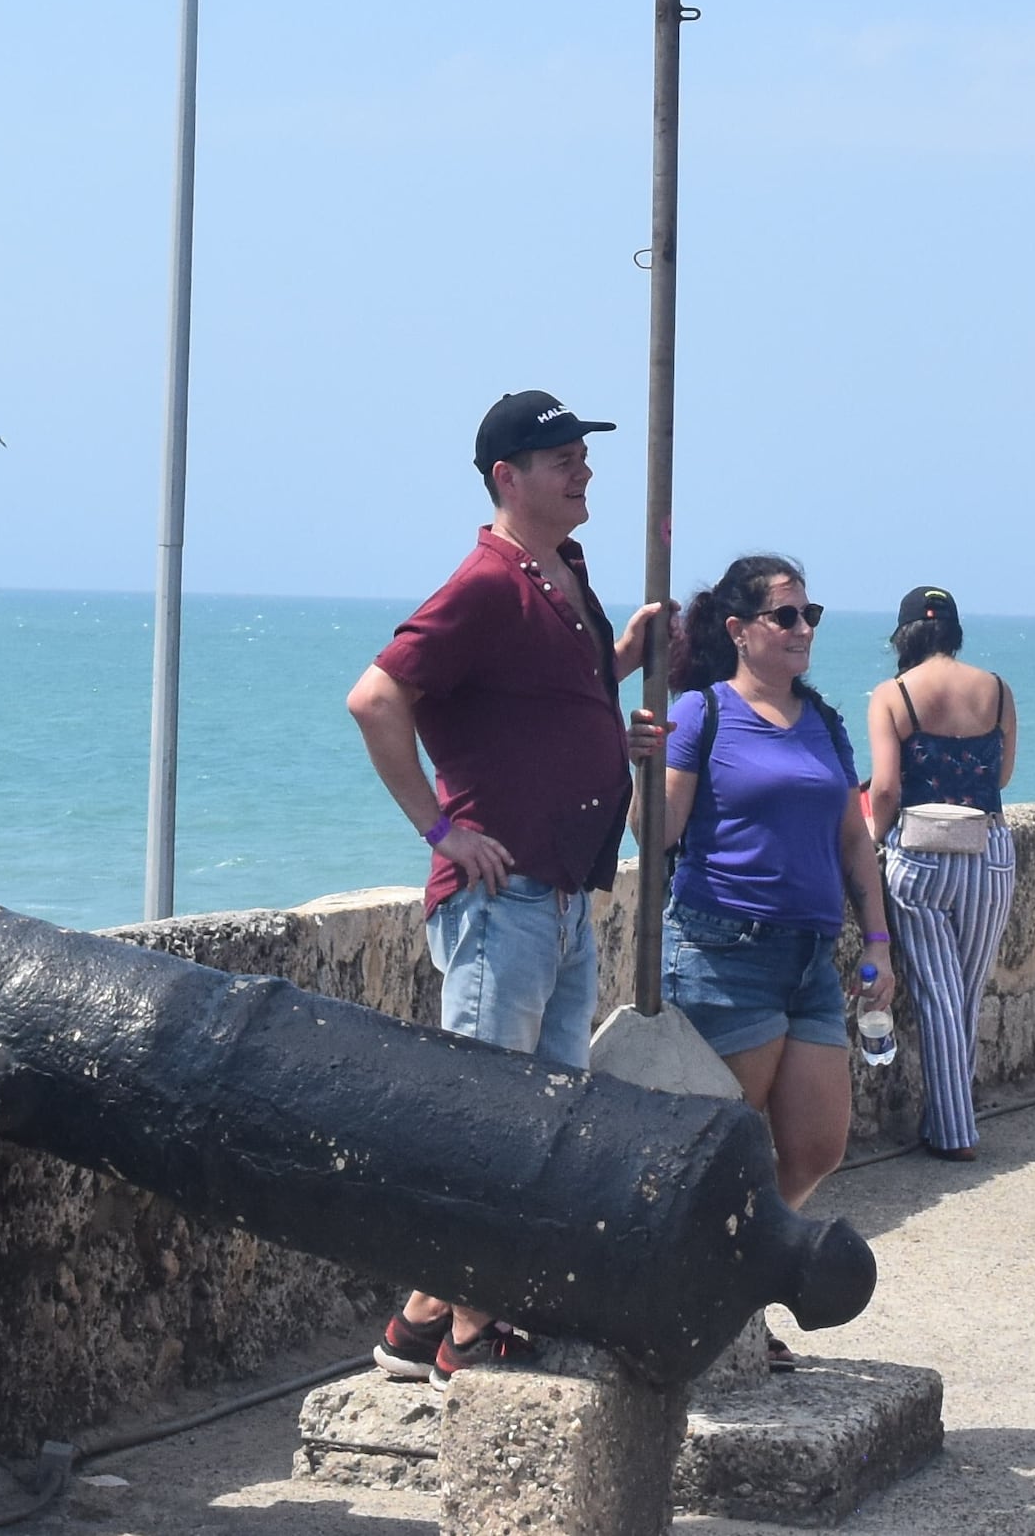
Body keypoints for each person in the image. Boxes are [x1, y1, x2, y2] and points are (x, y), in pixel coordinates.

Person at [345, 387, 670, 1377]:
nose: (582, 470)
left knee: (542, 1126)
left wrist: (615, 702)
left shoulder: (561, 571)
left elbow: (541, 702)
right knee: (492, 1125)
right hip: (506, 898)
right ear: (505, 477)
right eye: (561, 457)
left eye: (582, 454)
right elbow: (375, 700)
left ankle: (415, 1323)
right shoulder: (486, 581)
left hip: (567, 890)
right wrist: (443, 830)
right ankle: (476, 1335)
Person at [659, 552, 894, 1250]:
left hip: (811, 958)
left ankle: (733, 1274)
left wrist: (878, 941)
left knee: (818, 1144)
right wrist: (642, 761)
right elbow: (660, 830)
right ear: (738, 628)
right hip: (724, 949)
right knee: (721, 1152)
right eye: (784, 614)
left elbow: (853, 837)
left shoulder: (822, 719)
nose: (802, 628)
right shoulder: (701, 712)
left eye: (809, 614)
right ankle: (718, 1300)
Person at [862, 583, 1017, 1160]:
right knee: (966, 995)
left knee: (935, 994)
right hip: (989, 850)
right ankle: (949, 1118)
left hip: (921, 856)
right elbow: (1001, 778)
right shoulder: (997, 690)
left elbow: (884, 788)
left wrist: (876, 841)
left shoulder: (893, 694)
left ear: (905, 635)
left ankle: (954, 1133)